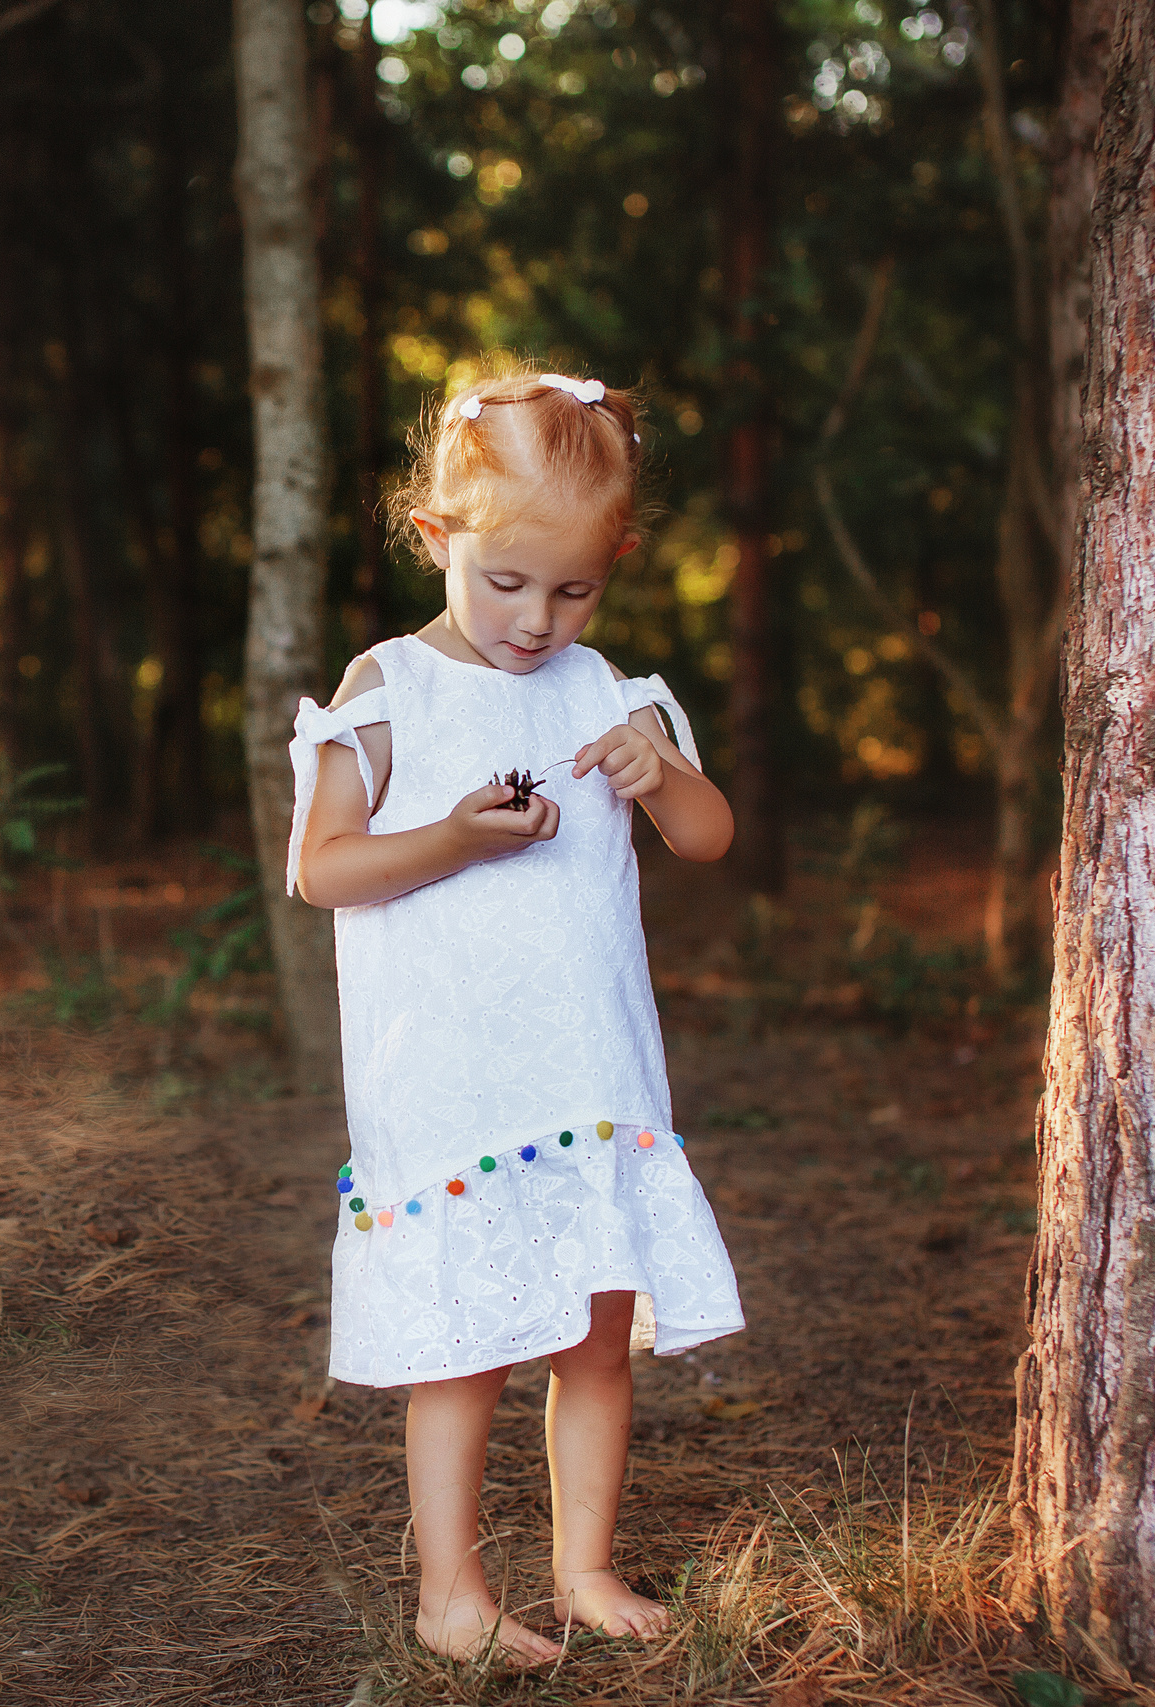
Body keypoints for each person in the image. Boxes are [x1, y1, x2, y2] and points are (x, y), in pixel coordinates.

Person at [287, 362, 746, 1664]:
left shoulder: (613, 694)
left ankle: (586, 1569)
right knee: (469, 1345)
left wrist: (663, 778)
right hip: (451, 1080)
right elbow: (321, 868)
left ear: (615, 565)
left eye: (574, 588)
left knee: (597, 1333)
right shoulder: (389, 690)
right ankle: (451, 1597)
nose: (539, 620)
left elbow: (709, 837)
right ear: (436, 537)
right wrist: (449, 839)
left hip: (589, 1073)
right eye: (505, 582)